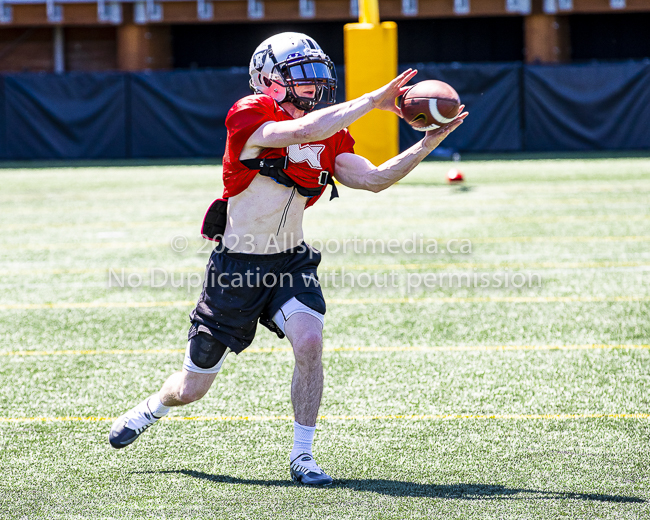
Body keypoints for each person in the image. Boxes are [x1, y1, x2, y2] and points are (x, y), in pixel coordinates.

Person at [109, 32, 466, 486]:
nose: (312, 87)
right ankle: (153, 407)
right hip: (237, 268)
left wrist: (431, 140)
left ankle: (303, 456)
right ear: (267, 80)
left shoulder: (331, 131)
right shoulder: (249, 112)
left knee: (310, 343)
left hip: (290, 262)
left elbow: (375, 179)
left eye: (317, 77)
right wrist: (375, 99)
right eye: (300, 77)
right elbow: (299, 132)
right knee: (192, 388)